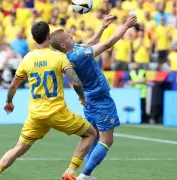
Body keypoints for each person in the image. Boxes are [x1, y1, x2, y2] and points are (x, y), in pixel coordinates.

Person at [0, 21, 97, 180]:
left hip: (36, 115)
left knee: (18, 148)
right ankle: (70, 171)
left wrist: (9, 102)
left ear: (34, 38)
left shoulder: (27, 59)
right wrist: (82, 97)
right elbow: (75, 81)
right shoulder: (59, 56)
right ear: (49, 35)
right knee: (91, 133)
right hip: (57, 112)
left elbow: (13, 85)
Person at [50, 15, 137, 180]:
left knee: (94, 136)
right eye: (68, 36)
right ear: (63, 44)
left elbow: (89, 44)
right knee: (107, 139)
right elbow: (106, 45)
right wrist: (125, 26)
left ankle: (82, 174)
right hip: (100, 99)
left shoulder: (70, 53)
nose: (71, 36)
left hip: (89, 100)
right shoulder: (77, 56)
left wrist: (102, 27)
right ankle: (84, 175)